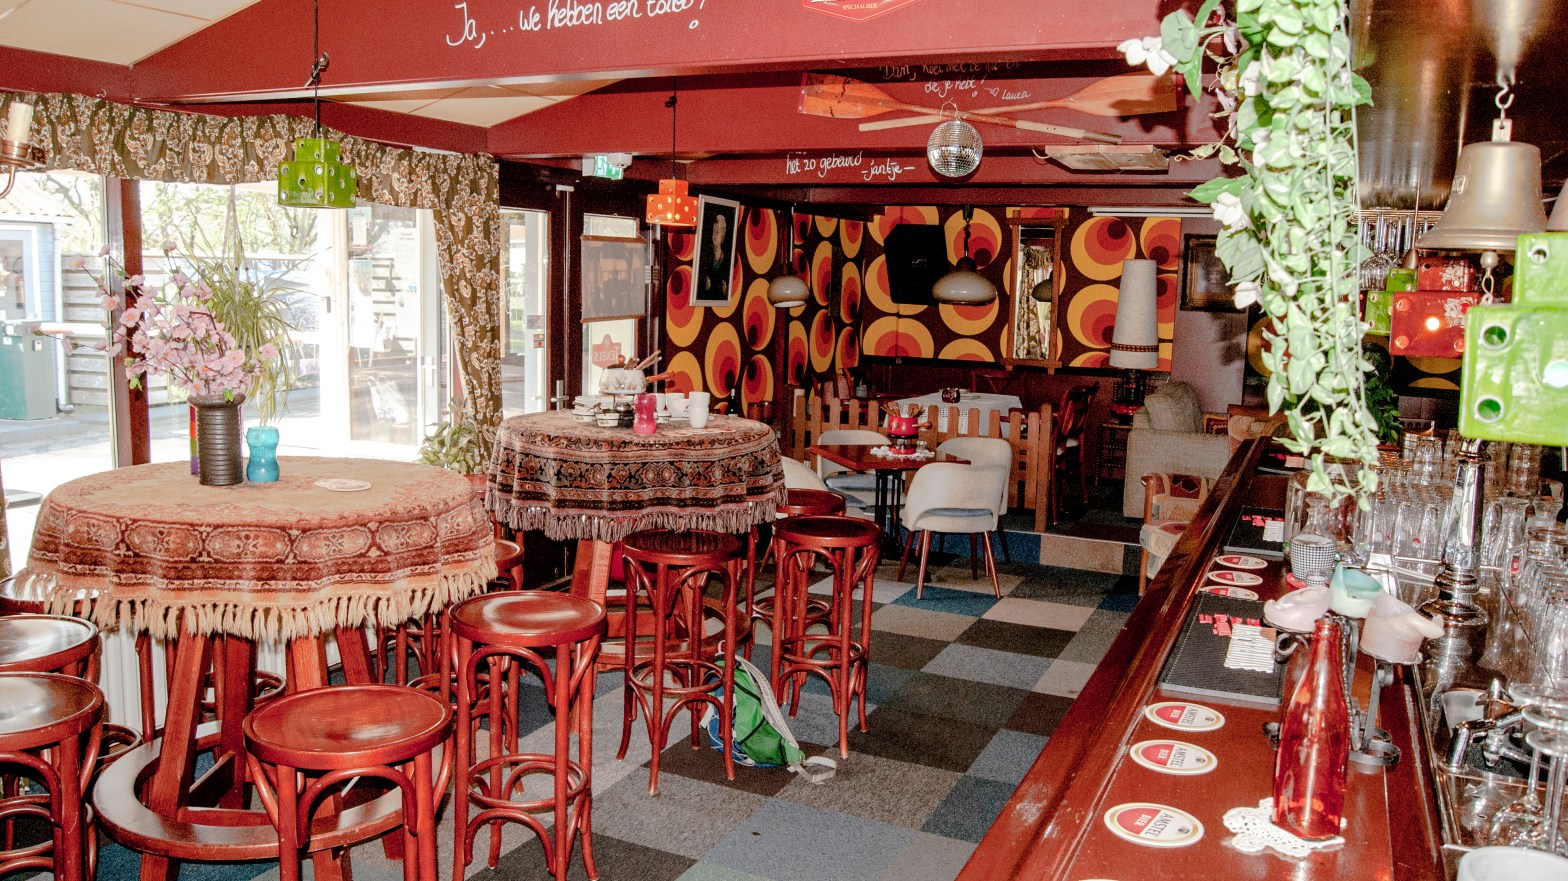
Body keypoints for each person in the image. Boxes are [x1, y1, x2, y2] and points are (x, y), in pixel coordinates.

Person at [697, 210, 732, 303]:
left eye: (718, 232)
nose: (714, 235)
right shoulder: (706, 252)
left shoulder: (725, 256)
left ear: (723, 236)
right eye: (713, 231)